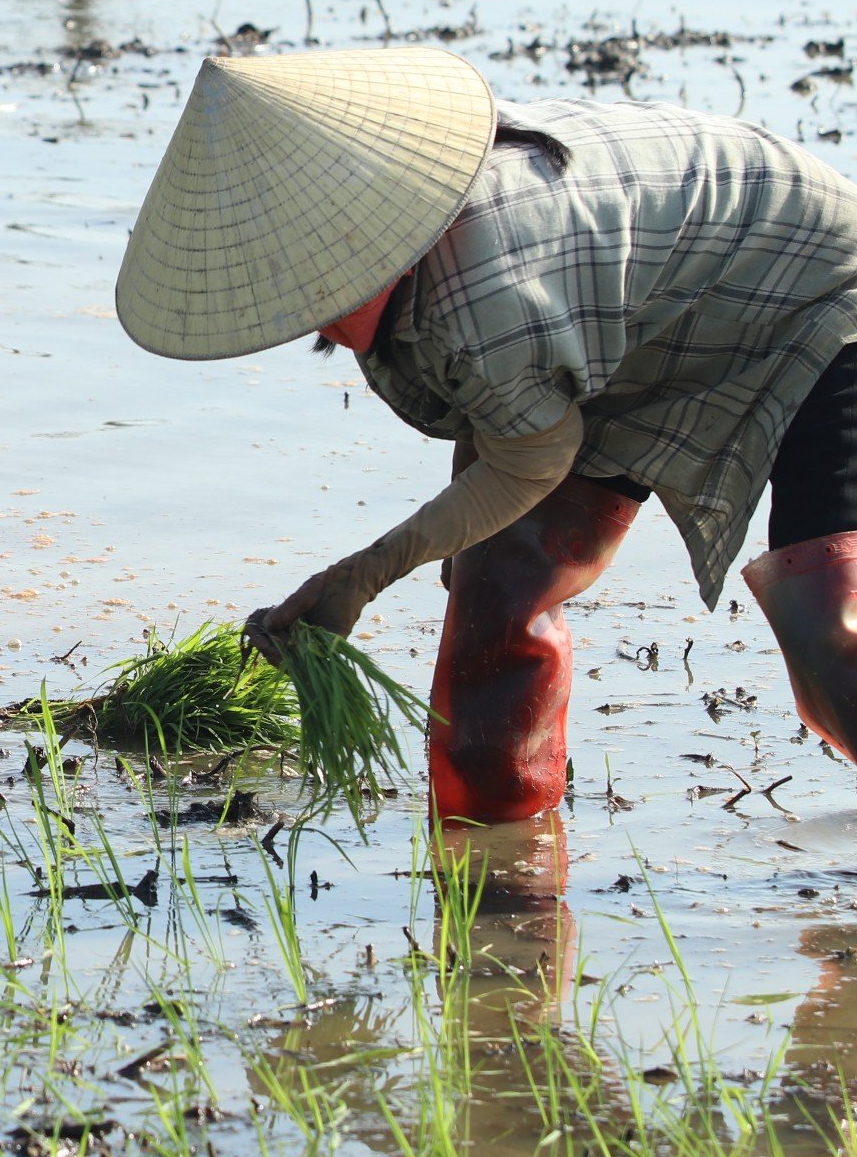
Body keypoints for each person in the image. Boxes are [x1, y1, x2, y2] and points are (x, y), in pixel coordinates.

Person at [115, 46, 857, 824]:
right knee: (496, 598)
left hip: (814, 293)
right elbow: (499, 420)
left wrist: (360, 575)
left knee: (828, 629)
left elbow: (528, 458)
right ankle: (500, 887)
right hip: (647, 326)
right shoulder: (421, 260)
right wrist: (448, 550)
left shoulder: (485, 288)